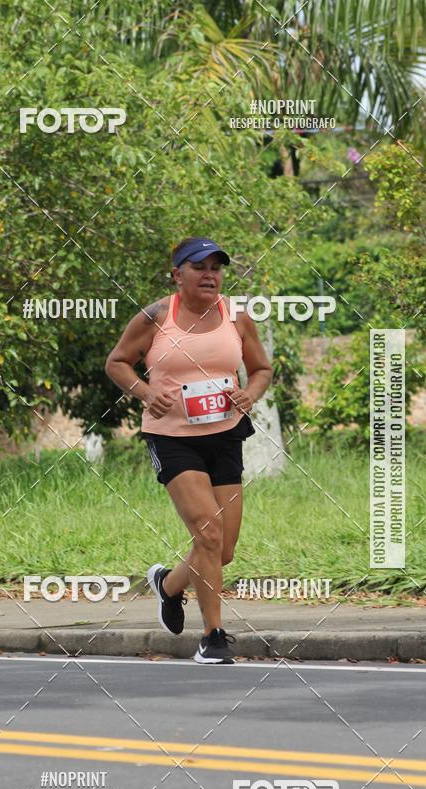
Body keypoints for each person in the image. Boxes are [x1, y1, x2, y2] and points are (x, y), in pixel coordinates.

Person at [105, 237, 272, 663]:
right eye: (199, 267)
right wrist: (145, 393)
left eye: (216, 267)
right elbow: (117, 362)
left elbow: (261, 369)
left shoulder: (237, 317)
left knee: (224, 549)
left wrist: (250, 394)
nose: (210, 275)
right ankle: (213, 637)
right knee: (208, 533)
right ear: (177, 274)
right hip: (173, 437)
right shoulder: (156, 316)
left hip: (225, 435)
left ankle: (168, 585)